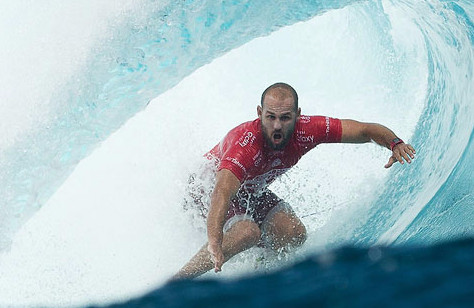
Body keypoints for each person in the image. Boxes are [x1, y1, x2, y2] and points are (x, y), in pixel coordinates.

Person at [172, 82, 417, 280]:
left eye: (285, 118)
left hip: (249, 191)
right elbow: (221, 192)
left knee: (293, 233)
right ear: (259, 113)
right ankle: (178, 282)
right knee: (247, 232)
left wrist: (394, 143)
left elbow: (363, 130)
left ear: (298, 115)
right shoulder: (245, 144)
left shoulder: (307, 130)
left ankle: (260, 272)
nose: (277, 126)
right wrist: (215, 241)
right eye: (270, 117)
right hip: (205, 191)